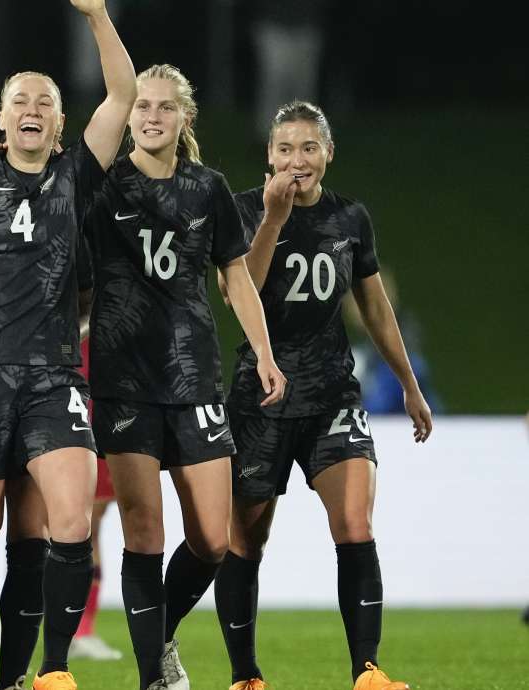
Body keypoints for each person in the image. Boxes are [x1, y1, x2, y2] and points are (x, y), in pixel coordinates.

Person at [0, 1, 137, 689]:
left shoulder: (76, 176)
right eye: (20, 99)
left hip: (51, 376)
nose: (33, 108)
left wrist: (98, 14)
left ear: (59, 121)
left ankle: (48, 671)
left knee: (68, 523)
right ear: (2, 114)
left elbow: (124, 94)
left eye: (45, 101)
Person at [214, 100, 433, 690]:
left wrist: (410, 385)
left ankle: (367, 671)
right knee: (245, 539)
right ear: (269, 156)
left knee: (356, 526)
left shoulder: (349, 218)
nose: (297, 159)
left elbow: (375, 309)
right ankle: (245, 676)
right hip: (262, 396)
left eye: (309, 147)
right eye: (285, 148)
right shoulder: (240, 210)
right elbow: (242, 292)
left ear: (328, 154)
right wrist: (273, 221)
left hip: (334, 392)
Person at [83, 64, 286, 690]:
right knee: (144, 533)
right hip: (122, 382)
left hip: (194, 377)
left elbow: (235, 277)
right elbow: (68, 275)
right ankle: (153, 674)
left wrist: (265, 352)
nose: (150, 116)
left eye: (164, 107)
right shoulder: (102, 188)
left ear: (183, 119)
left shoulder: (208, 189)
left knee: (213, 540)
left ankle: (159, 633)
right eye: (141, 106)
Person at [67, 338, 123, 662]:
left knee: (91, 519)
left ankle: (83, 628)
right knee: (64, 517)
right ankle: (31, 609)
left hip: (105, 391)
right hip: (67, 388)